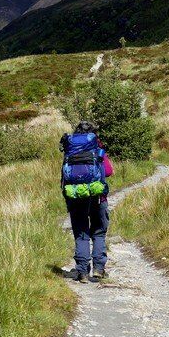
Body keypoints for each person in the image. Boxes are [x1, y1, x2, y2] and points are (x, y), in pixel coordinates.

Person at [60, 121, 114, 283]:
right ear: (92, 135)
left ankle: (82, 272)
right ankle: (98, 269)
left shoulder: (71, 149)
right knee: (98, 231)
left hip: (75, 196)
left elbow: (65, 175)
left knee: (81, 233)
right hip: (98, 197)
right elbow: (109, 171)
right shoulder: (96, 149)